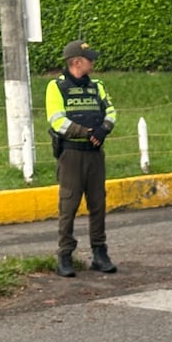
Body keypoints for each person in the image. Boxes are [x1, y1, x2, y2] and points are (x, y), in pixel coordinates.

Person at [45, 39, 118, 278]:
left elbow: (110, 111)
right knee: (69, 205)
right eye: (89, 59)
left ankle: (100, 252)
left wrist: (103, 129)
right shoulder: (56, 87)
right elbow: (57, 121)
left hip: (95, 154)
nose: (93, 62)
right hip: (72, 154)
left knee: (98, 204)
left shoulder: (97, 86)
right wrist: (86, 132)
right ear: (76, 62)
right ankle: (65, 254)